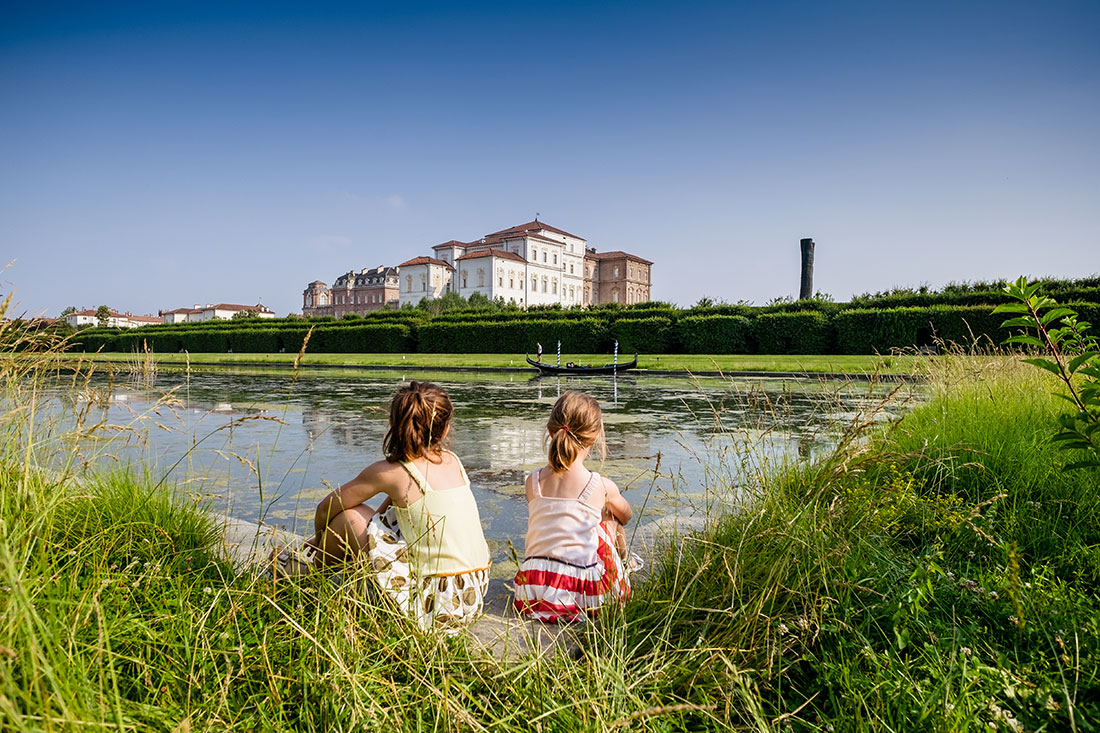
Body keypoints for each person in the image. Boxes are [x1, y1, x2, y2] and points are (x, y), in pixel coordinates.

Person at [273, 381, 491, 631]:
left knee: (350, 519)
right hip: (469, 594)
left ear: (393, 425)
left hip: (433, 604)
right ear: (445, 430)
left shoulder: (390, 472)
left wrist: (317, 541)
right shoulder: (454, 462)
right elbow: (384, 515)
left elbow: (325, 508)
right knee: (370, 520)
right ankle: (312, 572)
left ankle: (306, 572)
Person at [512, 391, 634, 622]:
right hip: (582, 596)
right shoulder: (600, 485)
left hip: (531, 592)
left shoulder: (532, 481)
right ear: (594, 437)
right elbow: (626, 516)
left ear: (551, 432)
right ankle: (626, 565)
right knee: (609, 517)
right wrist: (605, 507)